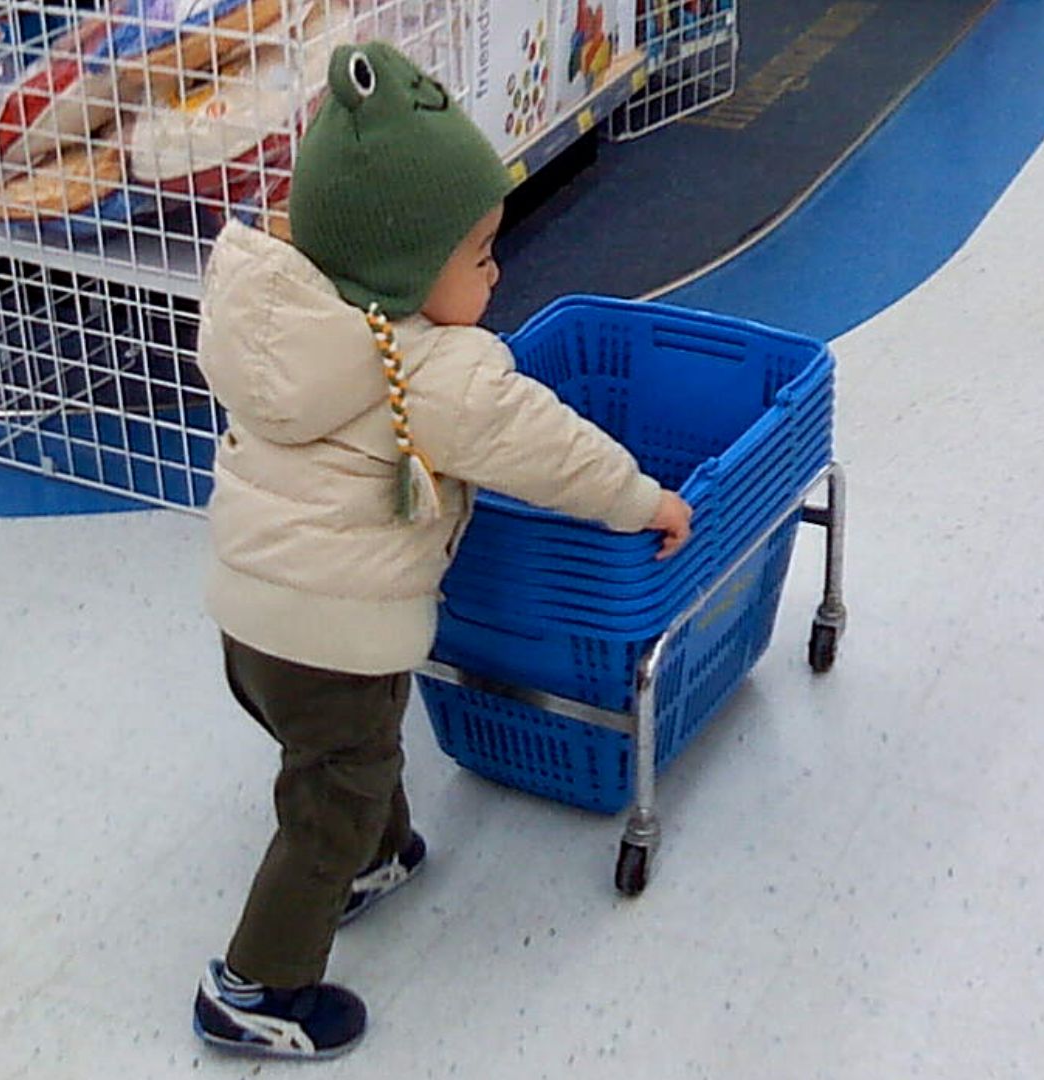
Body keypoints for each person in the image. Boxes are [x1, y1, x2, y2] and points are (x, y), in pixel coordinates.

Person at [190, 40, 693, 1060]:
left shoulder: (291, 325)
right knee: (332, 792)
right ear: (406, 270)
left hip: (254, 620)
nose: (497, 268)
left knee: (352, 748)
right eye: (479, 254)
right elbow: (546, 450)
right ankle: (256, 984)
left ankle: (376, 857)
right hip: (328, 631)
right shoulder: (432, 367)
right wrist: (643, 500)